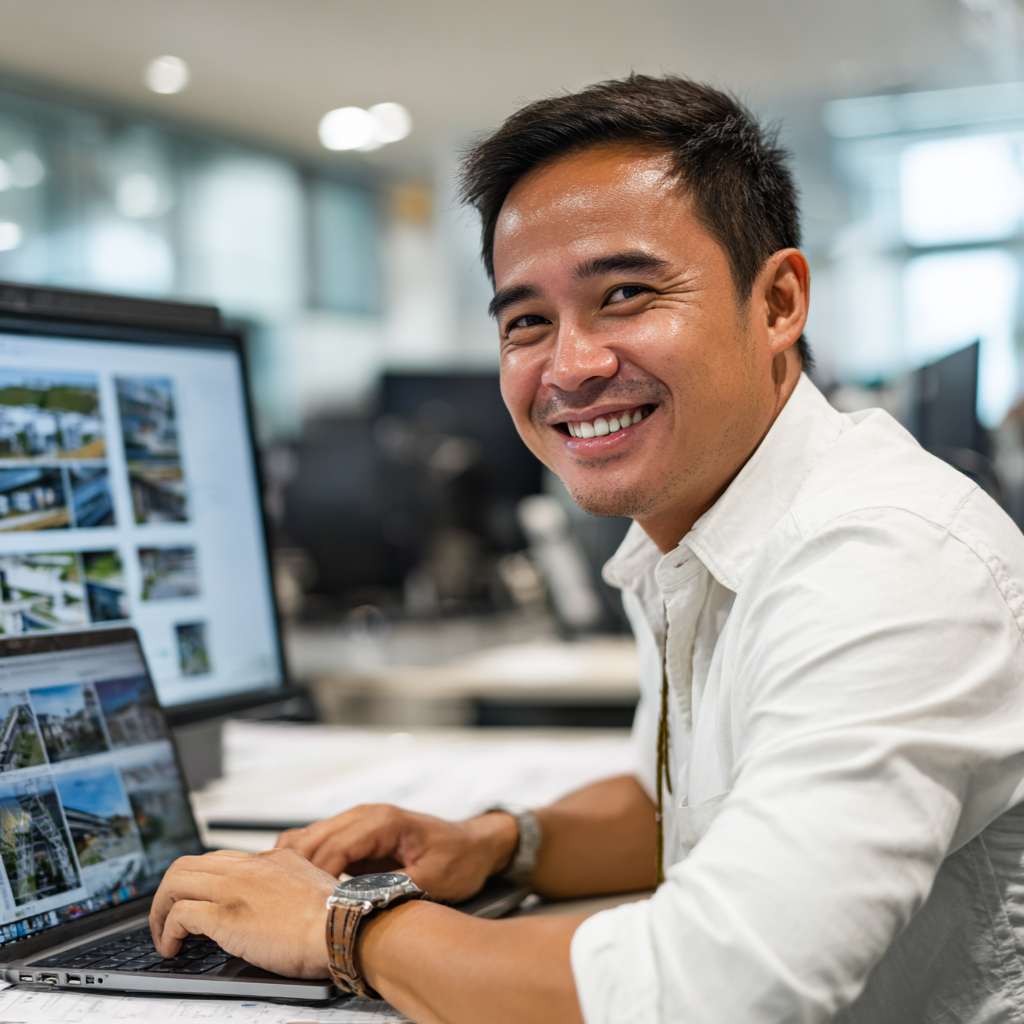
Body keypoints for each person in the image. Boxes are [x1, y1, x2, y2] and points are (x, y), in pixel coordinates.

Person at [149, 76, 1024, 1024]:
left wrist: (342, 928)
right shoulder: (697, 535)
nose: (569, 367)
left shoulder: (883, 560)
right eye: (527, 321)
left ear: (778, 302)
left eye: (626, 295)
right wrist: (496, 842)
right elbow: (690, 808)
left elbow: (712, 991)